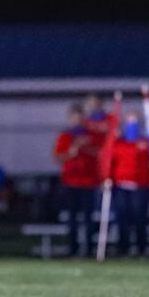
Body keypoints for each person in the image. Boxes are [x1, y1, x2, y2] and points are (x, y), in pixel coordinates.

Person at [54, 104, 99, 257]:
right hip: (71, 183)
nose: (77, 120)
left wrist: (86, 149)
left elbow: (100, 153)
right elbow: (59, 157)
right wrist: (71, 152)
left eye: (79, 117)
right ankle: (72, 249)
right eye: (74, 117)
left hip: (88, 183)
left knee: (88, 218)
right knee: (72, 218)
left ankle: (89, 250)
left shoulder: (91, 135)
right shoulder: (65, 136)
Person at [109, 112, 149, 257]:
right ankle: (124, 249)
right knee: (123, 219)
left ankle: (142, 249)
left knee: (140, 219)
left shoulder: (145, 143)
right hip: (121, 186)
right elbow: (110, 163)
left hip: (140, 186)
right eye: (129, 122)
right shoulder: (118, 143)